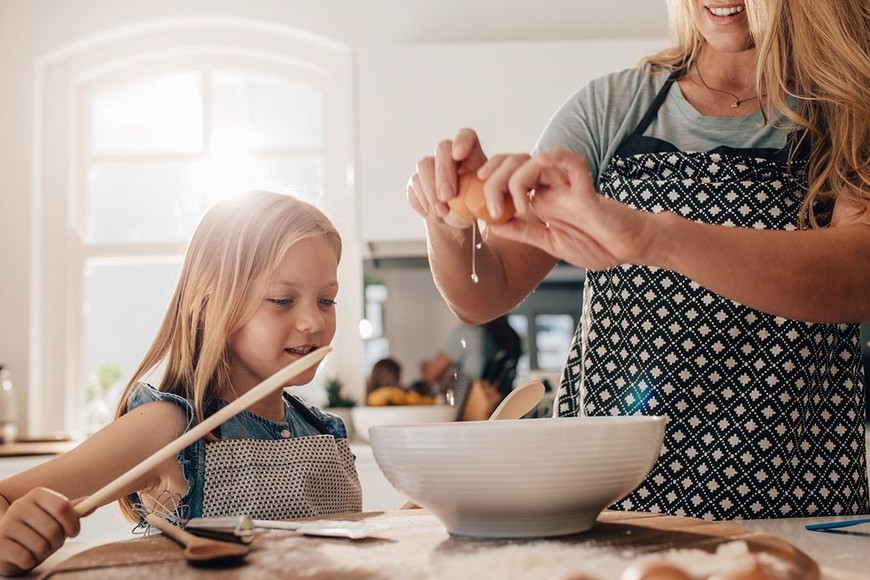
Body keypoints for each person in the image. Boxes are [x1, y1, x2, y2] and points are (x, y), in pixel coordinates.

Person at [406, 0, 869, 521]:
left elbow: (857, 276)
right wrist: (450, 227)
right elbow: (482, 295)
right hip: (611, 499)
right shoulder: (614, 106)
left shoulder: (849, 104)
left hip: (793, 497)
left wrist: (653, 237)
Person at [0, 191, 362, 575]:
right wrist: (12, 534)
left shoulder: (324, 429)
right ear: (207, 307)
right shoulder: (168, 428)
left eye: (326, 301)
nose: (315, 322)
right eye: (281, 300)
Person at [421, 315, 522, 395]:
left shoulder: (468, 332)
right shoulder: (512, 336)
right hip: (501, 406)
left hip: (470, 409)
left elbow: (431, 375)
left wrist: (423, 366)